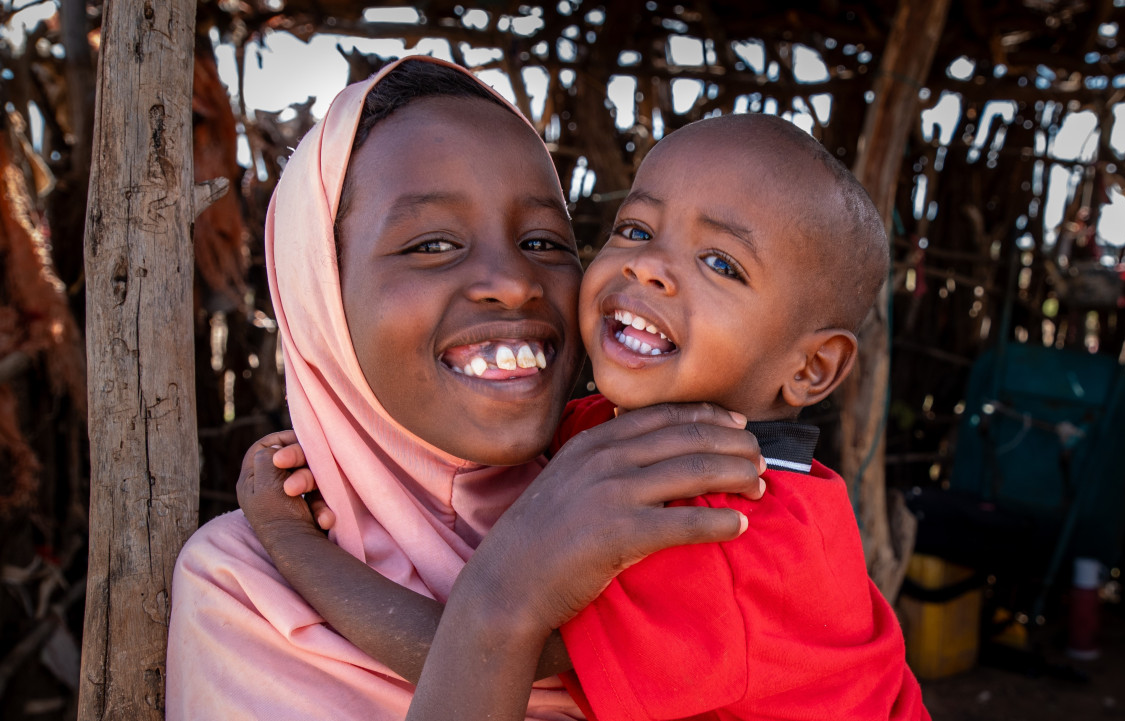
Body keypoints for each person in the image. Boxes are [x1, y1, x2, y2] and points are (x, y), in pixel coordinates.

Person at [247, 112, 930, 719]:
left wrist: (295, 547)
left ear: (809, 369)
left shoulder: (718, 524)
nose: (651, 267)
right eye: (636, 229)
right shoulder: (616, 424)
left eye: (720, 262)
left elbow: (481, 651)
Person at [165, 56, 767, 721]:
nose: (512, 281)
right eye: (431, 244)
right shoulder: (246, 591)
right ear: (321, 296)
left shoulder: (664, 509)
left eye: (543, 240)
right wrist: (504, 601)